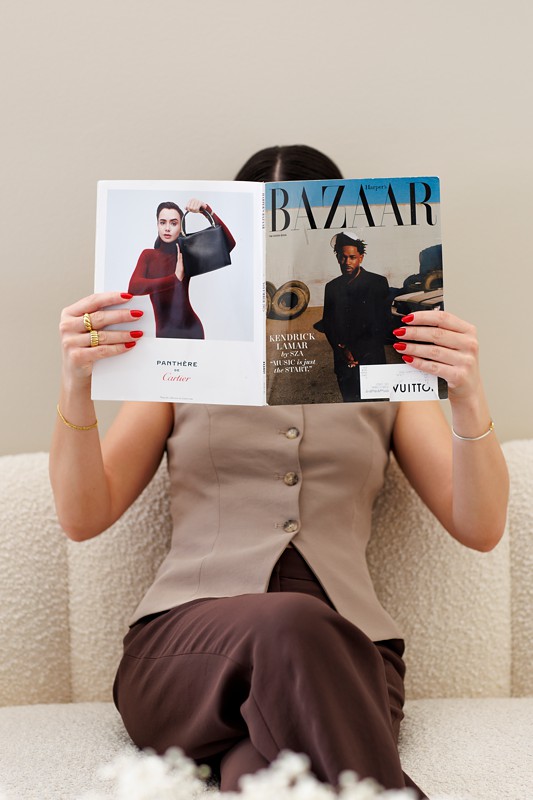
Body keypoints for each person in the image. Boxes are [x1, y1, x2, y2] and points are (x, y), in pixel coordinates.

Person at [50, 145, 509, 798]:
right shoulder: (184, 359)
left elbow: (481, 526)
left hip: (350, 660)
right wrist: (76, 384)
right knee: (287, 620)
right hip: (186, 652)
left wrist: (465, 391)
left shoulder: (381, 370)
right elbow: (82, 515)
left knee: (259, 778)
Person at [128, 198, 235, 338]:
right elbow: (134, 288)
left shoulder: (186, 253)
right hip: (163, 333)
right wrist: (175, 279)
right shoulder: (148, 255)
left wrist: (206, 210)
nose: (167, 228)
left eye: (173, 223)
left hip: (193, 330)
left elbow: (228, 244)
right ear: (157, 225)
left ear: (180, 227)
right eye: (162, 222)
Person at [321, 232, 390, 401]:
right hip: (344, 364)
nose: (347, 262)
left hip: (372, 361)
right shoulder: (331, 287)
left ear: (361, 257)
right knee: (351, 409)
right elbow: (328, 325)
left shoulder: (377, 283)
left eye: (352, 257)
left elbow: (382, 325)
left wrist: (357, 353)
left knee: (379, 411)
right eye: (343, 257)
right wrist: (342, 351)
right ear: (337, 258)